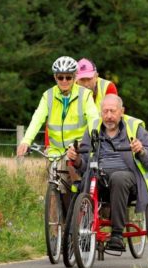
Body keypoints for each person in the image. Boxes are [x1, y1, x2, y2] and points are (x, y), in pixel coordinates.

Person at [67, 95, 148, 251]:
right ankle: (75, 236)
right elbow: (83, 164)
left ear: (121, 111)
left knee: (118, 177)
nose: (109, 116)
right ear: (100, 113)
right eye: (105, 111)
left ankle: (117, 234)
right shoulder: (92, 127)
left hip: (128, 179)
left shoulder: (135, 127)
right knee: (83, 184)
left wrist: (141, 151)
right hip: (99, 175)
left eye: (113, 111)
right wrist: (75, 159)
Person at [17, 56, 99, 206]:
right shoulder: (48, 96)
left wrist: (94, 136)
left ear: (74, 77)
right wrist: (26, 141)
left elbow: (94, 117)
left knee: (73, 176)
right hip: (55, 150)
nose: (64, 81)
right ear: (55, 77)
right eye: (60, 77)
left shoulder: (84, 95)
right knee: (56, 185)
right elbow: (37, 119)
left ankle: (81, 205)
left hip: (78, 147)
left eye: (68, 77)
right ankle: (59, 223)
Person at [43, 58, 117, 146]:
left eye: (89, 79)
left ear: (96, 76)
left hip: (104, 136)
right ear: (75, 80)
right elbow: (53, 121)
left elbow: (115, 117)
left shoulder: (108, 87)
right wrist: (47, 146)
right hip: (76, 141)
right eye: (82, 80)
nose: (86, 84)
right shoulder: (67, 89)